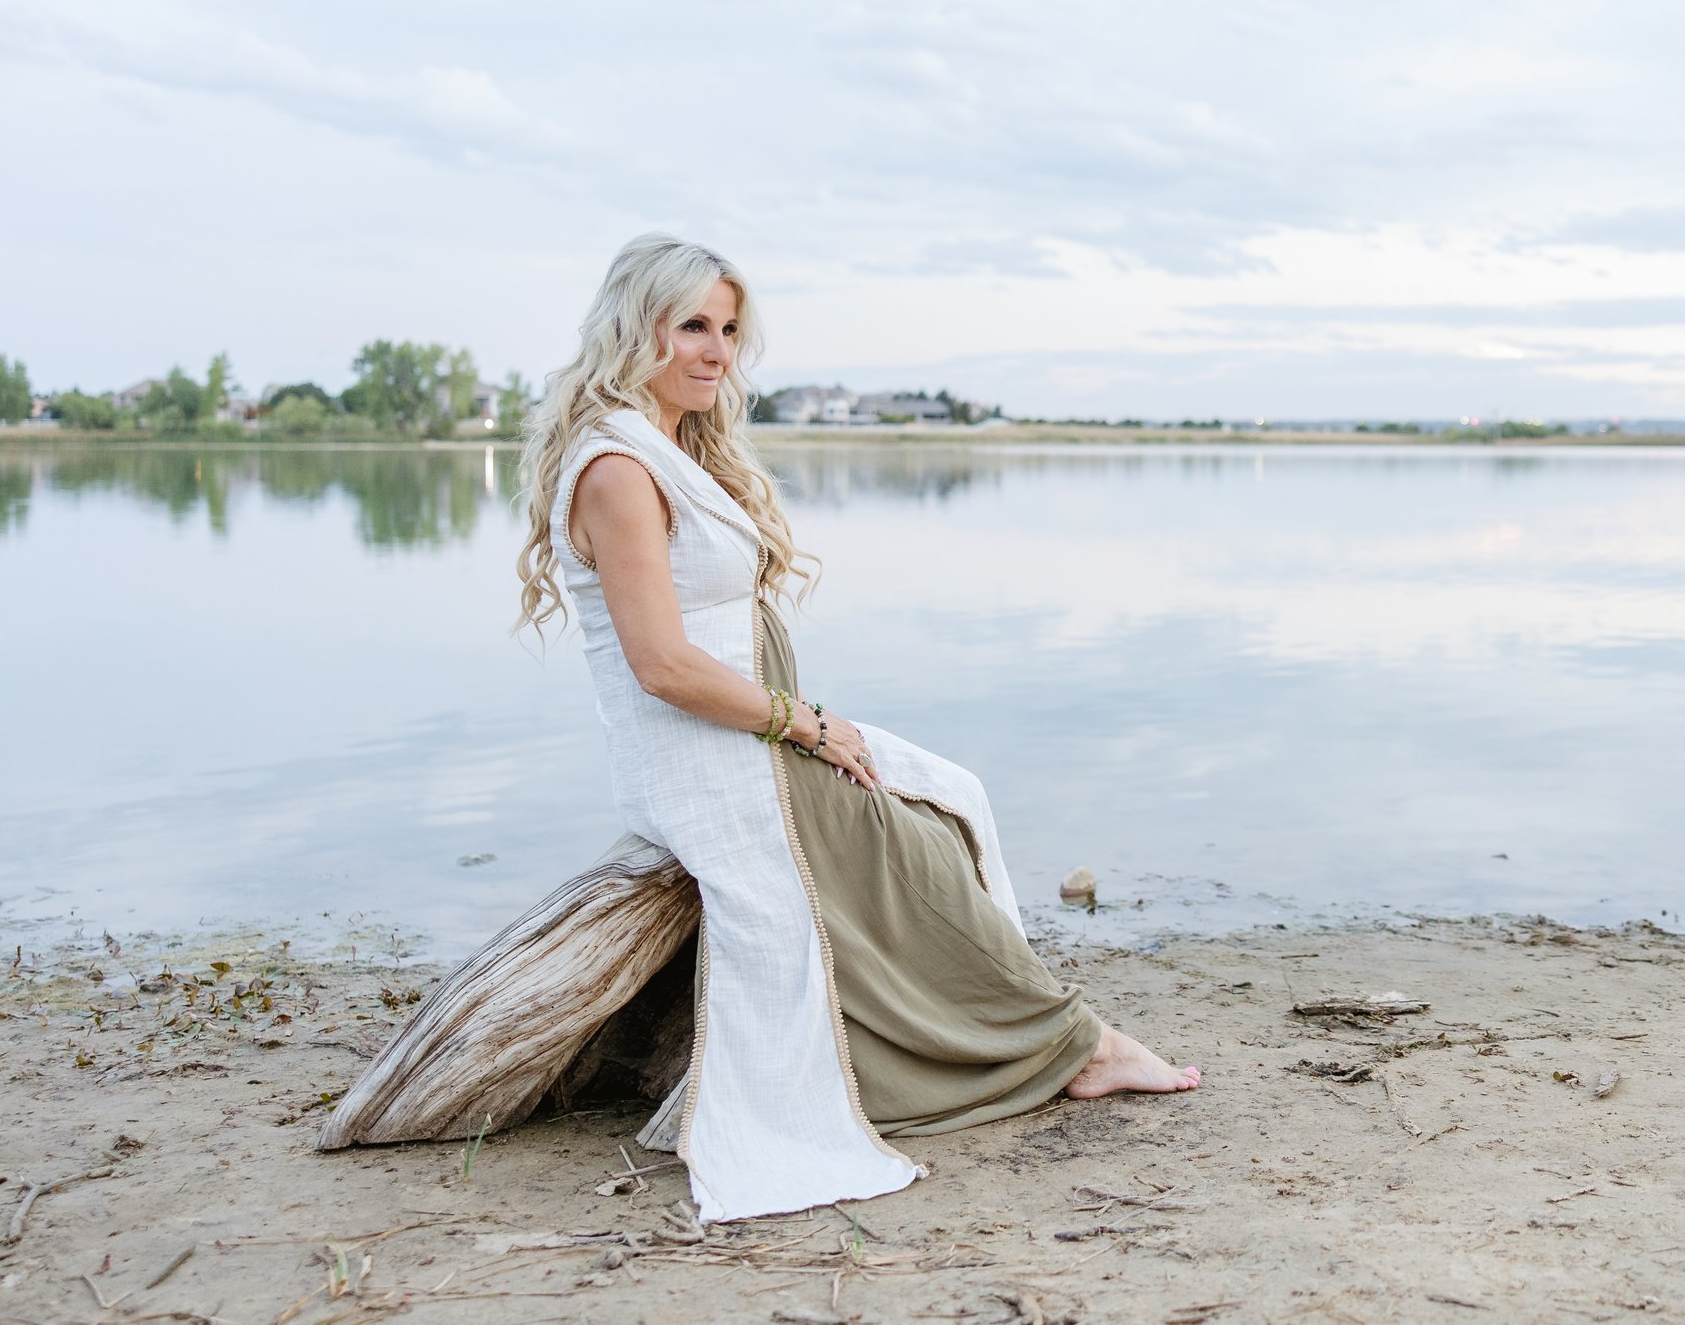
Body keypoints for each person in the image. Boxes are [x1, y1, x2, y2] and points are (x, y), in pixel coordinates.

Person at [514, 233, 1199, 1222]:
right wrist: (807, 725)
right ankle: (1079, 1045)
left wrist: (806, 724)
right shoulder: (620, 468)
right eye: (694, 326)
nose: (718, 350)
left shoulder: (662, 444)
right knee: (911, 848)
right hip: (705, 754)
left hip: (755, 727)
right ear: (638, 328)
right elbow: (660, 665)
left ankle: (1024, 1030)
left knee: (950, 795)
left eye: (731, 330)